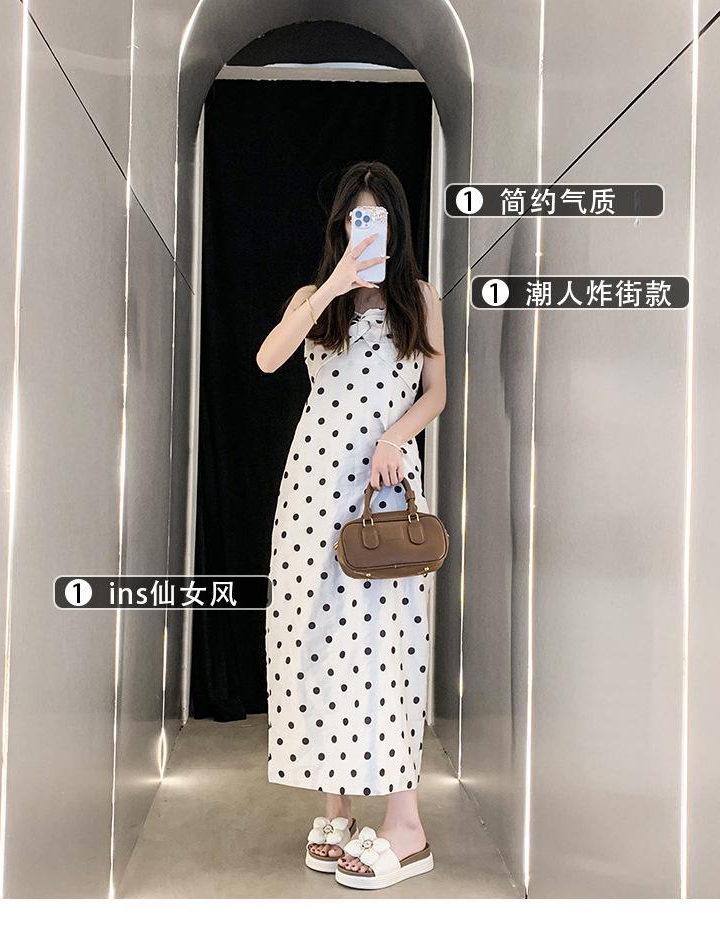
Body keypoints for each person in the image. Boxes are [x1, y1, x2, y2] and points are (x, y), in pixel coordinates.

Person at [256, 160, 446, 889]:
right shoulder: (316, 298)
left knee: (386, 645)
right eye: (354, 219)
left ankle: (405, 824)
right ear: (340, 226)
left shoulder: (418, 298)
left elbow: (436, 392)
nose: (367, 231)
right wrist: (334, 285)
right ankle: (335, 808)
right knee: (313, 641)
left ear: (396, 226)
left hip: (384, 492)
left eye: (378, 219)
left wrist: (396, 436)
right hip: (312, 491)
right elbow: (268, 358)